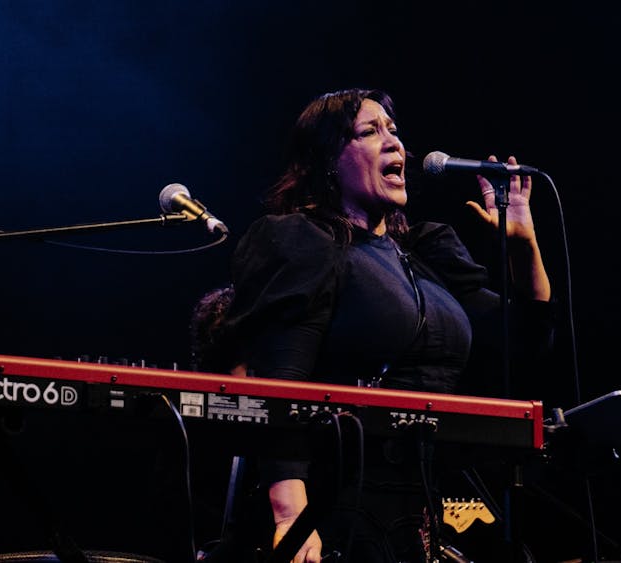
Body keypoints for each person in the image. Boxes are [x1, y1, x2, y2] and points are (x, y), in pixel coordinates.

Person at [204, 88, 554, 563]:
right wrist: (291, 516)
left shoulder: (427, 253)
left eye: (393, 130)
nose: (394, 143)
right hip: (332, 504)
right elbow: (277, 385)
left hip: (420, 508)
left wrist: (523, 246)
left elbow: (523, 340)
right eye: (369, 132)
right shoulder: (302, 239)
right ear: (328, 160)